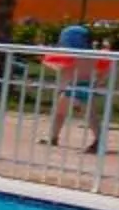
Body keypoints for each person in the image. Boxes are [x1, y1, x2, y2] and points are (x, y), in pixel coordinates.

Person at [44, 23, 112, 152]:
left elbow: (56, 65)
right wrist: (98, 82)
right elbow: (105, 69)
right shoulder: (93, 55)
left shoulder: (72, 54)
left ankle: (54, 137)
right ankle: (98, 140)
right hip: (86, 87)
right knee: (90, 115)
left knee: (61, 113)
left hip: (73, 87)